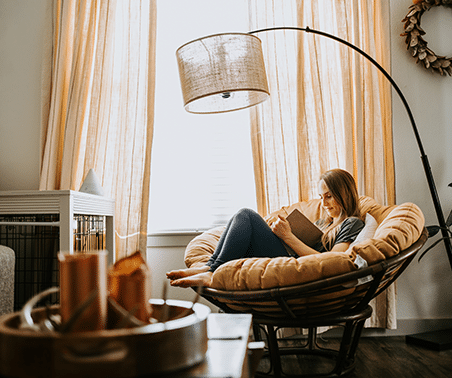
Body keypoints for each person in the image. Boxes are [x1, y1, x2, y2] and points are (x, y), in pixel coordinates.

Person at [167, 168, 365, 288]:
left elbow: (334, 261)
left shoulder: (352, 223)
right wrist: (277, 231)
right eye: (321, 197)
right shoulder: (325, 222)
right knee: (240, 218)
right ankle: (210, 266)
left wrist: (287, 237)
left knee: (247, 215)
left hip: (295, 265)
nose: (323, 203)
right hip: (286, 253)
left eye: (329, 196)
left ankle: (212, 270)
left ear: (344, 193)